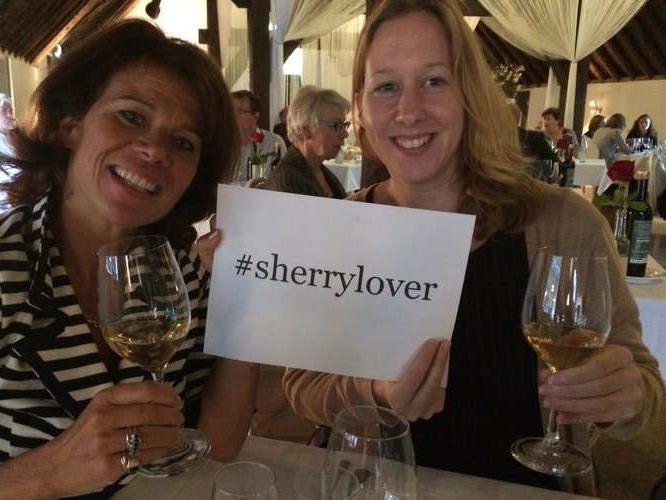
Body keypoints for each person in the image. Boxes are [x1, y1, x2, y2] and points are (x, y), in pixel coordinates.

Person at [282, 0, 663, 494]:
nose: (409, 111)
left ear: (469, 94)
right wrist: (378, 393)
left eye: (434, 80)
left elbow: (645, 389)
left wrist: (623, 397)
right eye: (386, 86)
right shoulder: (340, 229)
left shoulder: (565, 222)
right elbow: (302, 384)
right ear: (361, 109)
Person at [0, 19, 259, 499]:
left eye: (183, 142)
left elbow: (216, 443)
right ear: (69, 126)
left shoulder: (179, 278)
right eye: (131, 116)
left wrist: (246, 300)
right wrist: (47, 472)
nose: (154, 150)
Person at [264, 86, 349, 199]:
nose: (345, 134)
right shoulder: (286, 182)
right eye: (336, 125)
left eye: (344, 125)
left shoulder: (319, 170)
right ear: (306, 130)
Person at [231, 90, 287, 185]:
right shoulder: (222, 144)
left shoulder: (274, 143)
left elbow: (282, 183)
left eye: (239, 111)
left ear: (255, 117)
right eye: (231, 111)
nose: (233, 116)